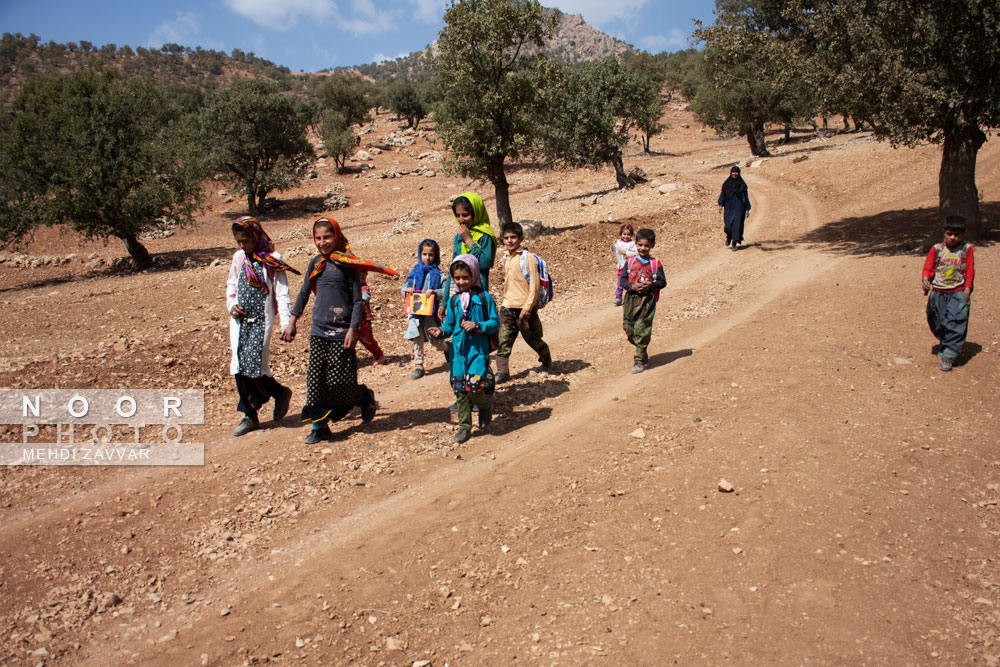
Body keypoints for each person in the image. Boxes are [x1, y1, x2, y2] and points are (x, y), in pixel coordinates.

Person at [281, 217, 397, 443]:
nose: (322, 242)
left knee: (339, 382)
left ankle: (363, 396)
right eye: (318, 238)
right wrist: (292, 320)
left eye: (327, 237)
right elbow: (304, 293)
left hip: (342, 332)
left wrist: (353, 329)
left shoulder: (348, 265)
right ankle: (319, 427)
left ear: (337, 236)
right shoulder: (315, 263)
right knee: (315, 381)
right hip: (318, 331)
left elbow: (356, 301)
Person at [226, 216, 298, 436]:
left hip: (261, 321)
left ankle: (274, 395)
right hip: (239, 321)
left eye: (245, 240)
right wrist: (232, 304)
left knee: (254, 365)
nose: (242, 245)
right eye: (238, 241)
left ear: (256, 236)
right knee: (239, 366)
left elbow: (282, 293)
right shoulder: (239, 258)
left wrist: (286, 323)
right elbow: (231, 284)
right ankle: (252, 414)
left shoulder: (273, 259)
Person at [427, 255, 500, 444]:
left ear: (474, 275)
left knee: (474, 387)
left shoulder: (484, 298)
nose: (461, 282)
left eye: (465, 278)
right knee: (459, 390)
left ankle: (485, 407)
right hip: (458, 355)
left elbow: (494, 322)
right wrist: (440, 331)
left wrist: (477, 325)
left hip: (477, 352)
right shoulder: (453, 301)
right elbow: (450, 326)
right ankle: (464, 426)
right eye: (457, 278)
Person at [495, 221, 553, 383]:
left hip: (524, 308)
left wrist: (528, 307)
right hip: (507, 306)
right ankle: (502, 372)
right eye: (506, 238)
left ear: (520, 238)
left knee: (532, 338)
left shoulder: (527, 258)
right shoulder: (505, 258)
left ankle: (546, 358)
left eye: (513, 237)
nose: (510, 241)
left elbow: (534, 286)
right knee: (504, 339)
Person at [922, 215, 975, 372]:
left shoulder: (966, 249)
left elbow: (970, 269)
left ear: (963, 234)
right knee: (936, 320)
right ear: (944, 232)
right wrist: (925, 278)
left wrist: (967, 289)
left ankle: (949, 355)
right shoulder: (937, 249)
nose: (953, 238)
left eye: (957, 235)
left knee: (955, 320)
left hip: (957, 292)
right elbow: (928, 266)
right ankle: (946, 343)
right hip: (938, 292)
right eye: (950, 234)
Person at [438, 192, 498, 321]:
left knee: (475, 328)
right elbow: (452, 271)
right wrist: (444, 302)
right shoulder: (458, 238)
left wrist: (469, 240)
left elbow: (484, 263)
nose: (461, 220)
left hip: (477, 295)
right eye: (458, 215)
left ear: (476, 212)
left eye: (465, 215)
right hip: (457, 292)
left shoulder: (485, 236)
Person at [619, 228, 667, 374]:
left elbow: (662, 282)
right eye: (640, 245)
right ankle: (642, 348)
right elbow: (623, 280)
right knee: (629, 329)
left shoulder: (655, 264)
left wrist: (651, 285)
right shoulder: (630, 261)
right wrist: (632, 286)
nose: (643, 248)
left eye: (646, 245)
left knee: (642, 329)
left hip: (647, 300)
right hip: (631, 299)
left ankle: (639, 360)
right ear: (636, 244)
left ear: (652, 245)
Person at [403, 239, 449, 380]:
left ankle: (448, 348)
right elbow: (404, 287)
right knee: (416, 336)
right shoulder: (415, 272)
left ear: (436, 256)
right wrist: (407, 290)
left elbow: (446, 291)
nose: (427, 258)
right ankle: (419, 365)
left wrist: (435, 292)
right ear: (420, 254)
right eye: (424, 254)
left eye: (431, 255)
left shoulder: (439, 274)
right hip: (415, 311)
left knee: (434, 339)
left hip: (430, 312)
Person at [356, 270, 386, 366]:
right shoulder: (350, 287)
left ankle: (379, 355)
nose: (361, 280)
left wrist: (363, 300)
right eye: (358, 278)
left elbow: (366, 294)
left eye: (363, 278)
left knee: (367, 340)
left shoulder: (363, 287)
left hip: (363, 320)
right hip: (351, 319)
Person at [718, 165, 751, 250]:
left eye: (736, 172)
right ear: (731, 173)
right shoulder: (726, 184)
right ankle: (729, 237)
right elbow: (723, 195)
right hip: (729, 207)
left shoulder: (742, 185)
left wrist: (747, 208)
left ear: (739, 173)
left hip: (739, 208)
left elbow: (745, 197)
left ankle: (734, 243)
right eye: (733, 172)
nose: (734, 174)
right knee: (728, 226)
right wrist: (720, 205)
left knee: (737, 225)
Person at [611, 223, 637, 306]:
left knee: (631, 282)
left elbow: (635, 253)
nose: (626, 236)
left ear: (631, 235)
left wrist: (625, 252)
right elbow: (615, 250)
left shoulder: (632, 244)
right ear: (621, 234)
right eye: (624, 234)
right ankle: (618, 297)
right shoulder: (618, 242)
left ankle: (633, 297)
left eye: (628, 234)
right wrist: (613, 247)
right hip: (621, 266)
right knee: (620, 282)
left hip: (630, 266)